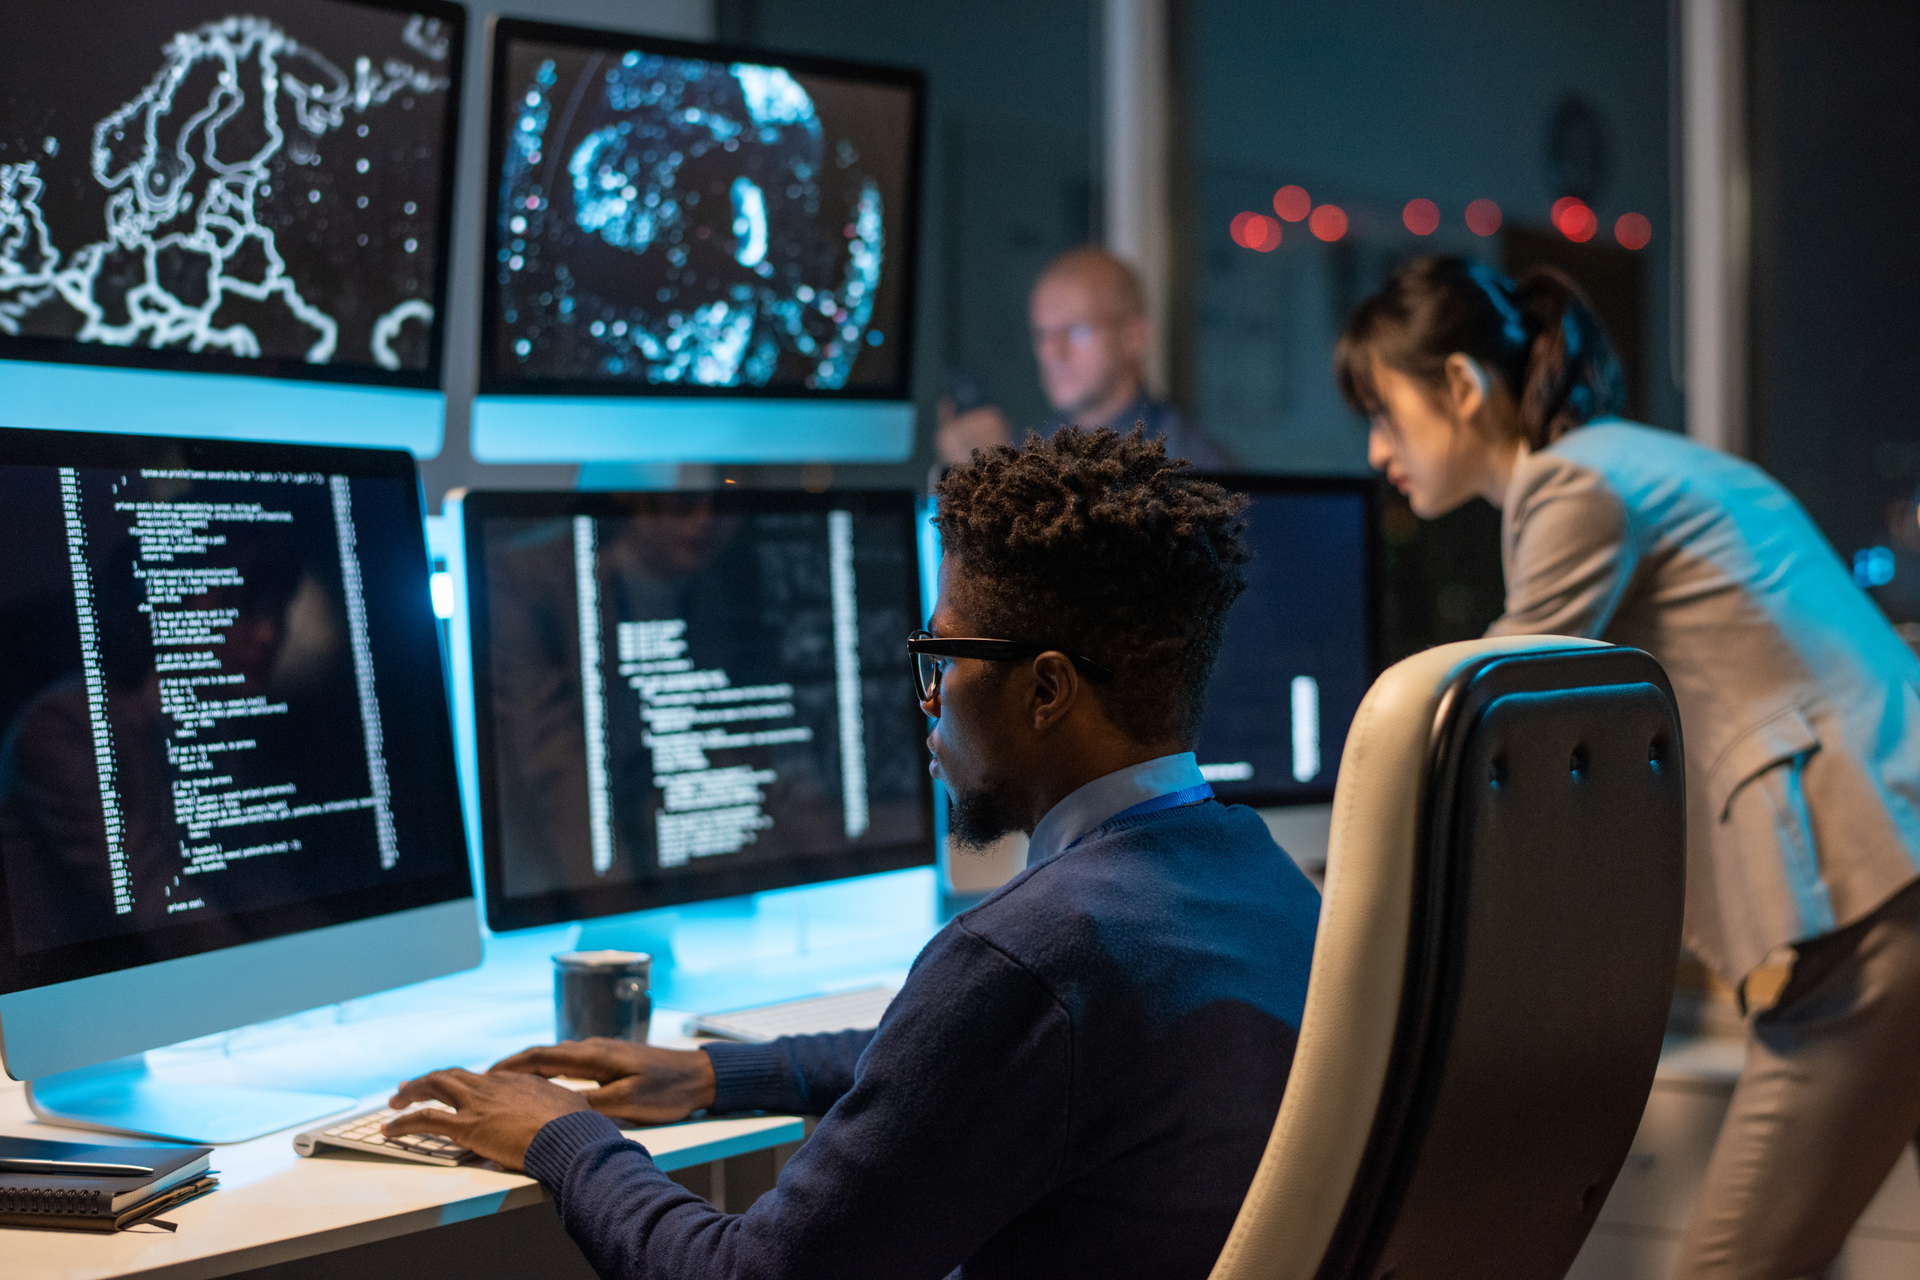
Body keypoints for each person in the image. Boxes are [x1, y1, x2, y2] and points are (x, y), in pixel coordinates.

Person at [385, 427, 1320, 1279]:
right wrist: (720, 1075)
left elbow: (745, 1277)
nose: (928, 695)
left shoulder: (1027, 958)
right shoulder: (1262, 881)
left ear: (1045, 690)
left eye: (943, 656)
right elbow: (975, 1057)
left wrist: (564, 1136)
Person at [1336, 254, 1920, 1280]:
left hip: (1866, 910)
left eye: (1383, 413)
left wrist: (1362, 889)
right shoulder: (1638, 458)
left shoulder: (1572, 484)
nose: (1378, 450)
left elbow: (1488, 728)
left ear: (1464, 388)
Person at [937, 246, 1233, 470]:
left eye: (1078, 331)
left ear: (1134, 336)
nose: (1052, 352)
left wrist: (1006, 474)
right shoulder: (1041, 446)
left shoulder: (1187, 467)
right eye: (1042, 335)